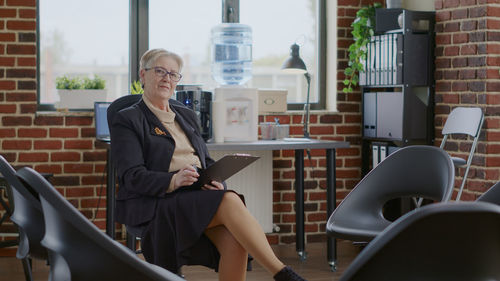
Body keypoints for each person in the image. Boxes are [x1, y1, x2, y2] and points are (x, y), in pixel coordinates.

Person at [110, 48, 306, 281]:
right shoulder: (128, 119)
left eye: (173, 74)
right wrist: (173, 179)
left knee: (235, 240)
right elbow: (131, 176)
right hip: (158, 201)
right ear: (143, 75)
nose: (167, 78)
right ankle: (283, 274)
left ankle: (283, 275)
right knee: (230, 199)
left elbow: (205, 160)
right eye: (160, 71)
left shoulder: (186, 114)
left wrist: (217, 180)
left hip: (194, 194)